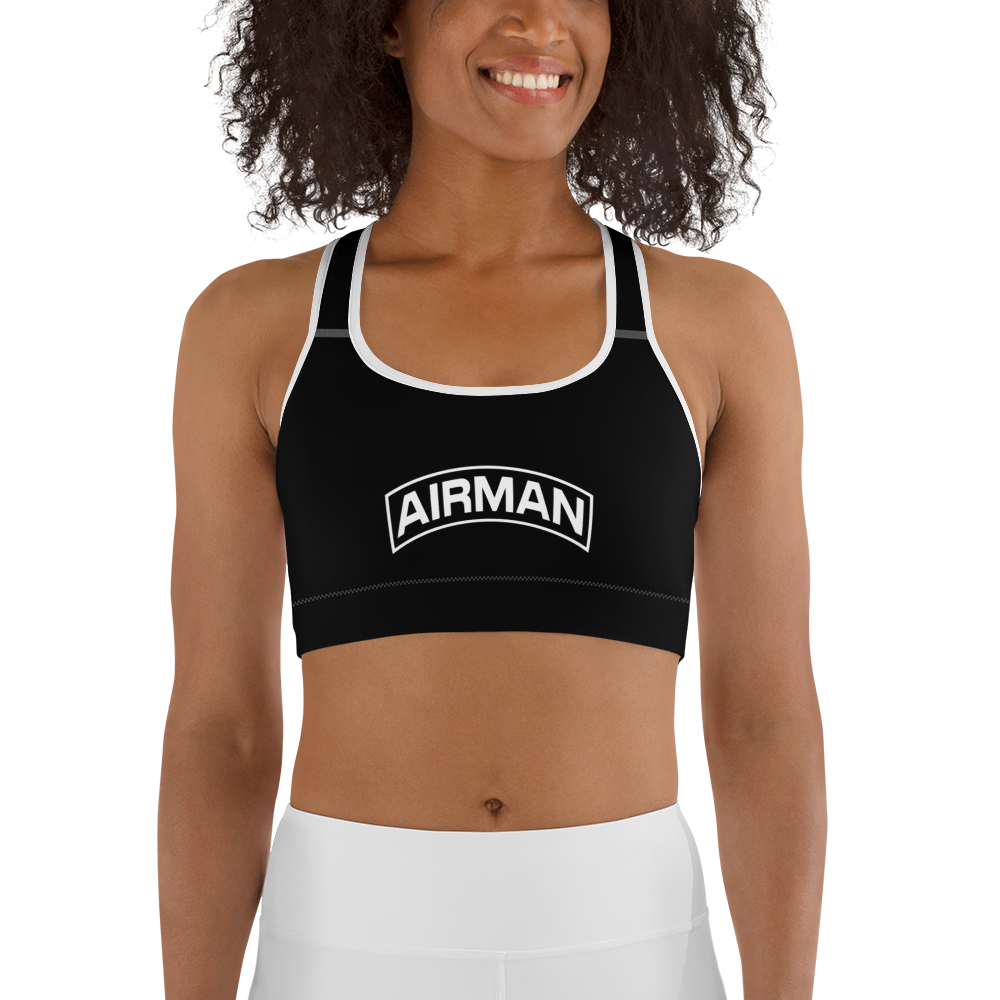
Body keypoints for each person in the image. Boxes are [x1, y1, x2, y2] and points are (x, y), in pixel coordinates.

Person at [160, 1, 826, 998]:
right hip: (343, 946)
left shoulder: (719, 327)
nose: (540, 22)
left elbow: (762, 720)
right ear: (382, 20)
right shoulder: (257, 329)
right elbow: (223, 732)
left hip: (631, 947)